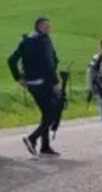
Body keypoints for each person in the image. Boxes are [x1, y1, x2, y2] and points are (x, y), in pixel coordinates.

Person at [8, 17, 63, 157]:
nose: (49, 29)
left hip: (31, 83)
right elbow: (50, 64)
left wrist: (19, 78)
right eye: (46, 27)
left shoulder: (26, 40)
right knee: (51, 114)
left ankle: (45, 146)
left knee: (46, 113)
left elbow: (12, 60)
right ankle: (32, 138)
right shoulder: (43, 41)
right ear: (39, 27)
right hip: (44, 82)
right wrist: (56, 82)